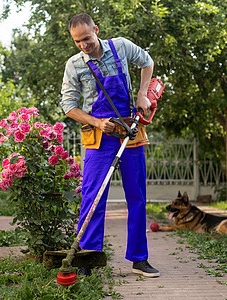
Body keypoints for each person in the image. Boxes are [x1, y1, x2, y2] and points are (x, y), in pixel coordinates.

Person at [60, 13, 159, 278]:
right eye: (78, 42)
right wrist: (96, 122)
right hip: (99, 137)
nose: (84, 45)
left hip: (130, 132)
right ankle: (88, 259)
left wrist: (141, 92)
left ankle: (140, 259)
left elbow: (147, 61)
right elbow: (68, 105)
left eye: (87, 38)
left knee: (136, 198)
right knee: (93, 198)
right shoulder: (75, 65)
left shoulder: (121, 47)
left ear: (96, 30)